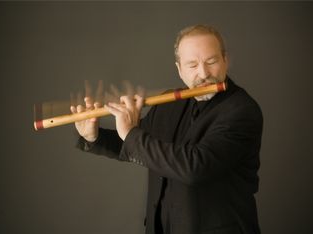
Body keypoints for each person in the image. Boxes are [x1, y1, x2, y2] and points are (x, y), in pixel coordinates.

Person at [71, 24, 263, 234]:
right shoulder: (171, 102)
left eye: (211, 61)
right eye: (192, 65)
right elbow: (141, 146)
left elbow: (194, 167)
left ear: (225, 60)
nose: (204, 73)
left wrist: (131, 134)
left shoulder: (241, 111)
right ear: (179, 69)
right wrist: (94, 137)